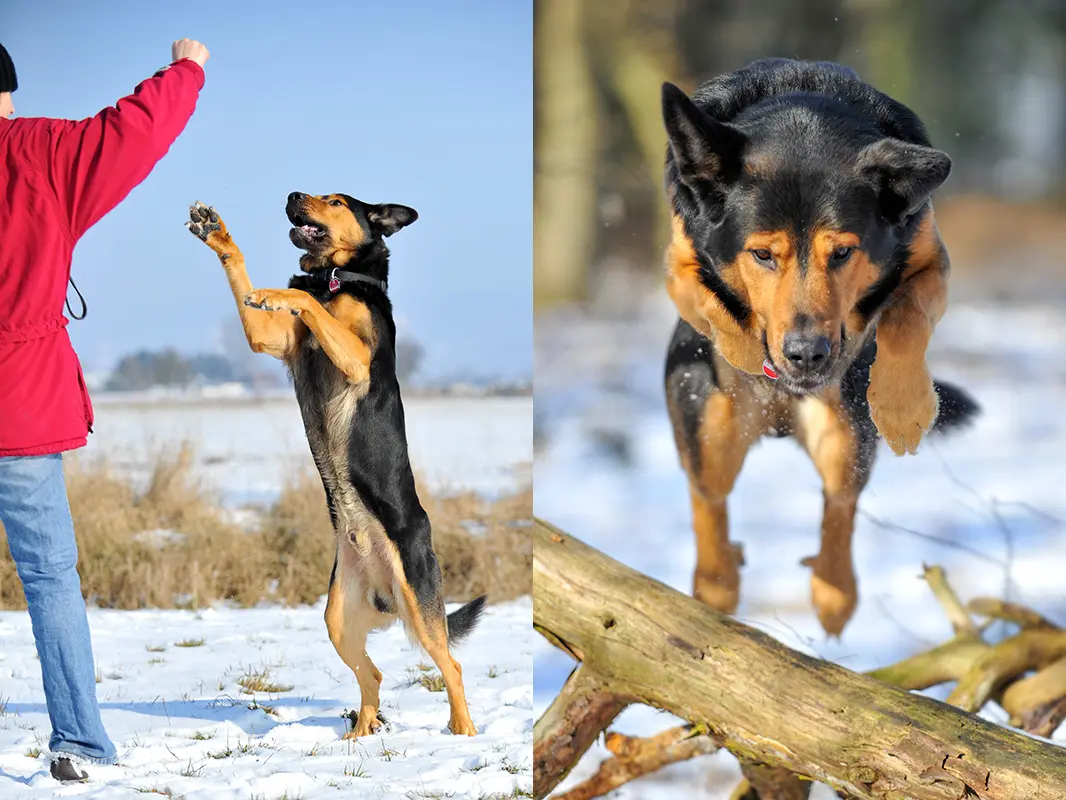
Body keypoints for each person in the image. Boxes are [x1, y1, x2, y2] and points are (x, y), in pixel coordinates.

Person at [0, 38, 209, 783]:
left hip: (22, 398)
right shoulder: (40, 152)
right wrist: (185, 71)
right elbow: (131, 132)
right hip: (19, 403)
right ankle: (78, 743)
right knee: (49, 578)